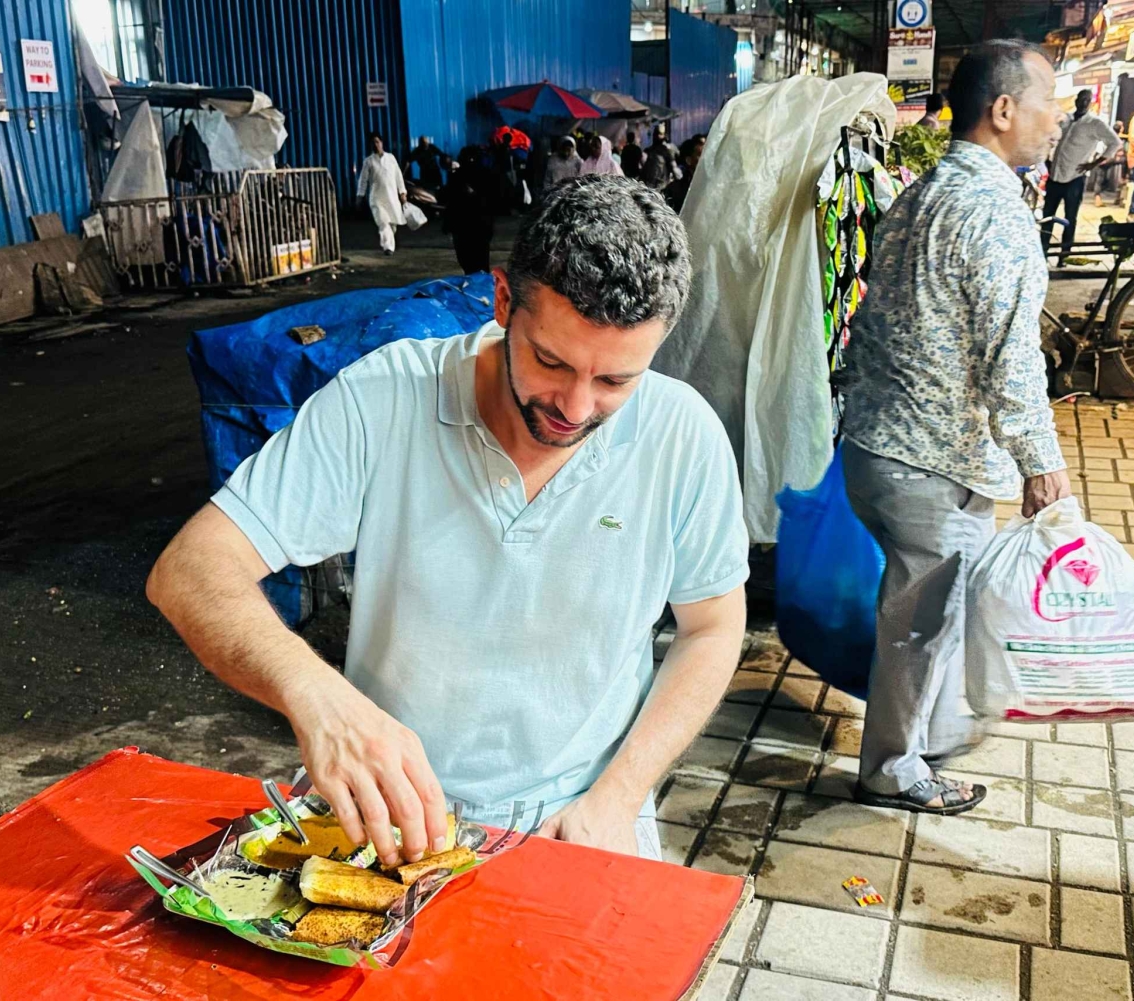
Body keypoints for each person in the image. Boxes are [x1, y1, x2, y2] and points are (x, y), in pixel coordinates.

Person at [147, 175, 748, 865]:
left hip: (583, 815)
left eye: (616, 380)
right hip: (389, 812)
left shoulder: (682, 436)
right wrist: (318, 697)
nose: (576, 408)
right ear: (502, 301)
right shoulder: (385, 398)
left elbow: (712, 626)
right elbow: (190, 569)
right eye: (551, 361)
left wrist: (619, 795)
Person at [838, 40, 1070, 817]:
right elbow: (1012, 361)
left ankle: (934, 731)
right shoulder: (996, 213)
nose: (1056, 119)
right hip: (935, 462)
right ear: (1002, 110)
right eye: (1048, 102)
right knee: (921, 623)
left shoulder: (921, 194)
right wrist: (1041, 462)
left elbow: (875, 316)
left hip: (876, 441)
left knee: (926, 611)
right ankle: (892, 770)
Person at [1041, 89, 1119, 265]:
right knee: (1048, 217)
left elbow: (1115, 142)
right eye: (1081, 99)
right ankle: (1042, 253)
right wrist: (1047, 158)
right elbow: (1051, 138)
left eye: (1087, 100)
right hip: (1055, 175)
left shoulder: (1095, 123)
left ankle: (1064, 256)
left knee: (1070, 218)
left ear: (1090, 103)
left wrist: (1094, 163)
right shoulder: (1066, 119)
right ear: (1076, 100)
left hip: (1074, 178)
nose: (1083, 103)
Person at [441, 145, 495, 274]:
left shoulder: (462, 176)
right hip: (474, 225)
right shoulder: (484, 174)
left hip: (471, 225)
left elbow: (450, 201)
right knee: (476, 261)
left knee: (471, 261)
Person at [357, 133, 407, 255]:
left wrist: (402, 192)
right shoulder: (368, 161)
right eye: (373, 142)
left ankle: (389, 243)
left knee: (392, 225)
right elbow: (363, 180)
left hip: (392, 198)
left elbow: (398, 176)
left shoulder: (391, 158)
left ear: (381, 143)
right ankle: (388, 248)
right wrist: (360, 195)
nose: (375, 144)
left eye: (377, 141)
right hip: (377, 199)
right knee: (383, 222)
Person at [1086, 120, 1127, 208]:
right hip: (1106, 159)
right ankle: (1118, 195)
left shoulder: (1109, 137)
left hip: (1106, 159)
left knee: (1100, 179)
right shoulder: (1116, 139)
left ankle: (1102, 197)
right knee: (1102, 179)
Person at [662, 134, 706, 213]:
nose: (705, 158)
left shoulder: (713, 186)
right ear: (689, 160)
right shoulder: (673, 191)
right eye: (700, 155)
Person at [641, 126, 677, 190]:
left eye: (660, 134)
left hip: (657, 187)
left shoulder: (667, 150)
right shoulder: (649, 151)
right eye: (657, 134)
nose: (658, 136)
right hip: (655, 186)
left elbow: (674, 169)